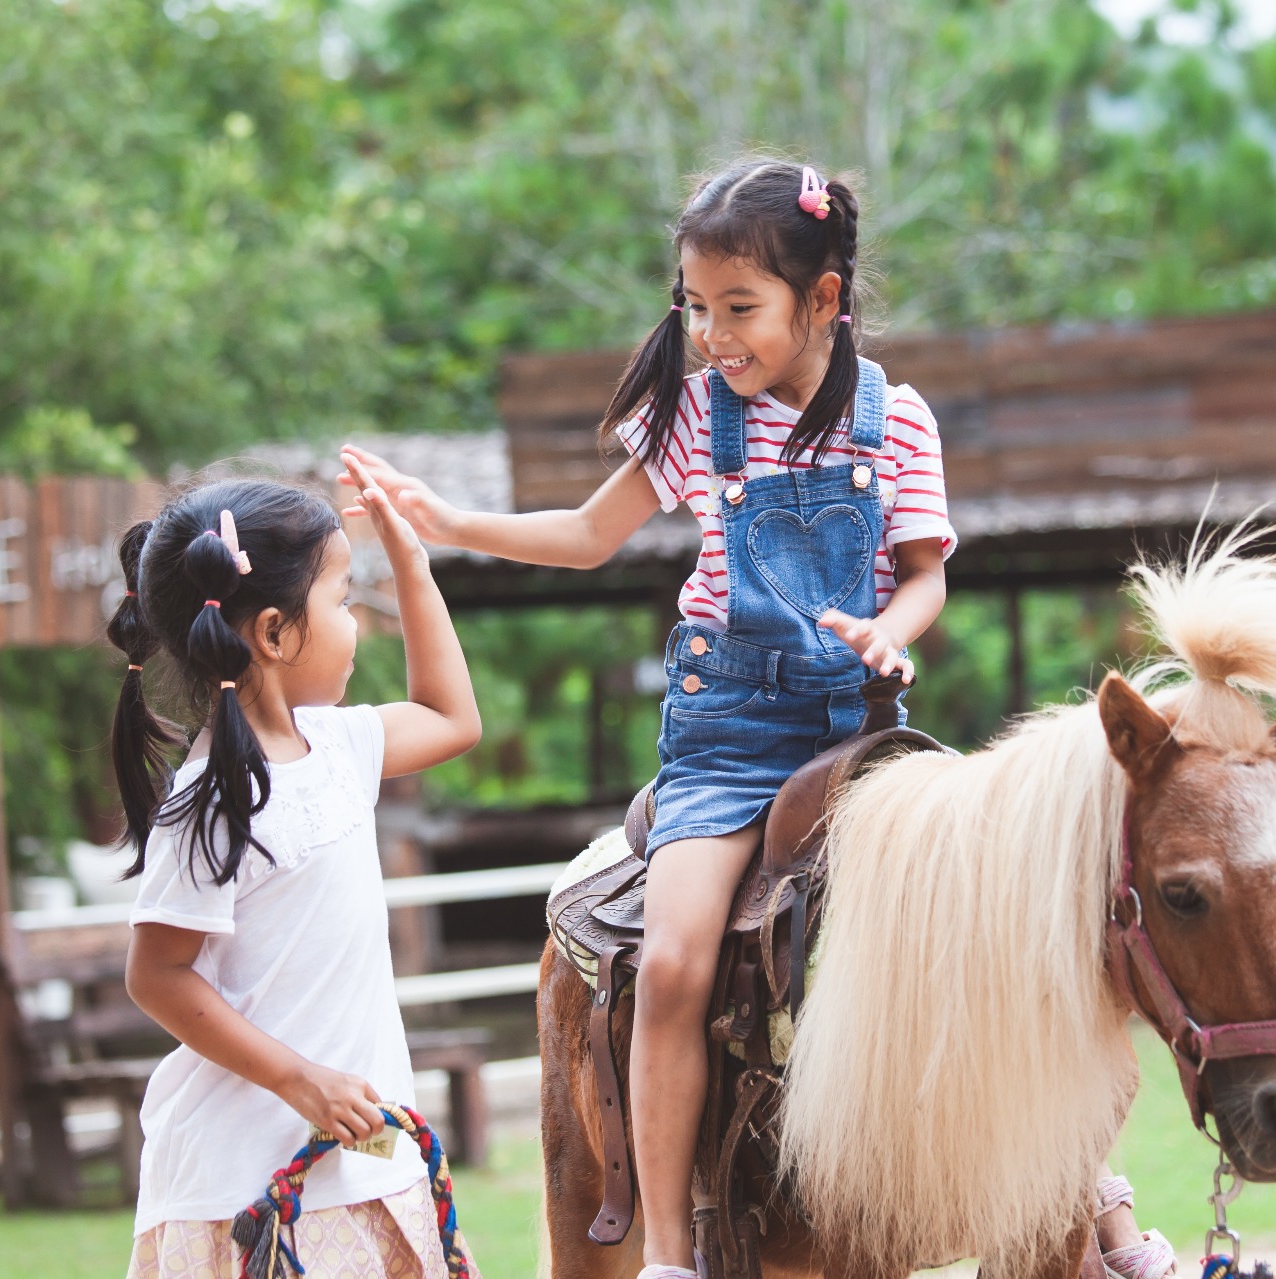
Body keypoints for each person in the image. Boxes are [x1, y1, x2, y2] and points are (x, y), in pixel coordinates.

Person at [339, 157, 1175, 1279]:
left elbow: (927, 575)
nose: (713, 333)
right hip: (727, 740)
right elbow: (590, 535)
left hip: (862, 741)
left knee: (1005, 931)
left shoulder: (898, 421)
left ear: (823, 298)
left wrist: (895, 626)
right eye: (695, 307)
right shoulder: (693, 413)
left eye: (739, 308)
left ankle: (1096, 1202)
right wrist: (448, 520)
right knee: (678, 960)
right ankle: (674, 1254)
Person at [112, 468, 484, 1279]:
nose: (358, 624)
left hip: (364, 1157)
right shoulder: (210, 806)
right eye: (345, 600)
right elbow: (157, 975)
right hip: (247, 1180)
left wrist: (414, 567)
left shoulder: (341, 746)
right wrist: (300, 1080)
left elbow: (454, 718)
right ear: (277, 633)